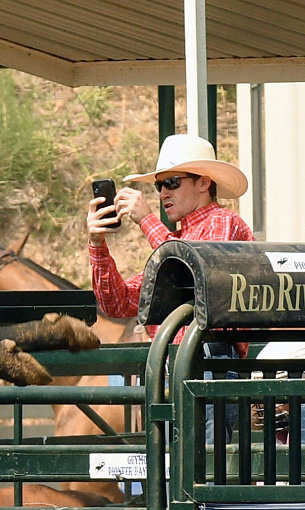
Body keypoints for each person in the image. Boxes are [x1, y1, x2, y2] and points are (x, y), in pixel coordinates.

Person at [87, 132, 253, 440]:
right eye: (159, 185)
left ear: (203, 182)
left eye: (172, 182)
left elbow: (197, 271)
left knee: (203, 466)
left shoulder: (221, 221)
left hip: (207, 360)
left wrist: (148, 220)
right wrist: (97, 244)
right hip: (183, 364)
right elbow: (117, 303)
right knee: (184, 468)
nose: (163, 192)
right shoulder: (173, 242)